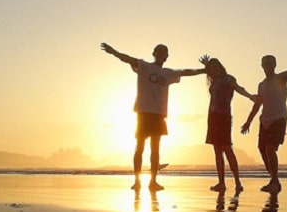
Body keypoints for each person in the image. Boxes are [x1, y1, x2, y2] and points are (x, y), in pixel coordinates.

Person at [101, 42, 205, 191]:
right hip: (143, 112)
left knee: (155, 149)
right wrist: (113, 52)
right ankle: (137, 181)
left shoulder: (168, 73)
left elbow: (185, 72)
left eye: (164, 53)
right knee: (140, 148)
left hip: (159, 115)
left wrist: (204, 70)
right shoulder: (144, 67)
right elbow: (128, 59)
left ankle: (153, 181)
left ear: (167, 57)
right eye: (159, 52)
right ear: (154, 53)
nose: (162, 55)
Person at [241, 37, 287, 193]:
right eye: (265, 64)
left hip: (279, 119)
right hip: (264, 120)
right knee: (262, 150)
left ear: (275, 65)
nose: (268, 66)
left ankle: (274, 181)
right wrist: (248, 122)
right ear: (262, 66)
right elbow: (257, 105)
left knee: (270, 149)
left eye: (271, 64)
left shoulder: (281, 78)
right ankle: (274, 180)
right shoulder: (262, 85)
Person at [199, 55, 256, 192]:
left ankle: (237, 182)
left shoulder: (228, 79)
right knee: (217, 151)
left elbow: (238, 88)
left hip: (223, 117)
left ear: (219, 67)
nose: (212, 71)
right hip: (212, 116)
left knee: (227, 148)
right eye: (210, 69)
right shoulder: (213, 81)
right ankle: (221, 183)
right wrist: (206, 65)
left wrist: (250, 96)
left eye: (214, 68)